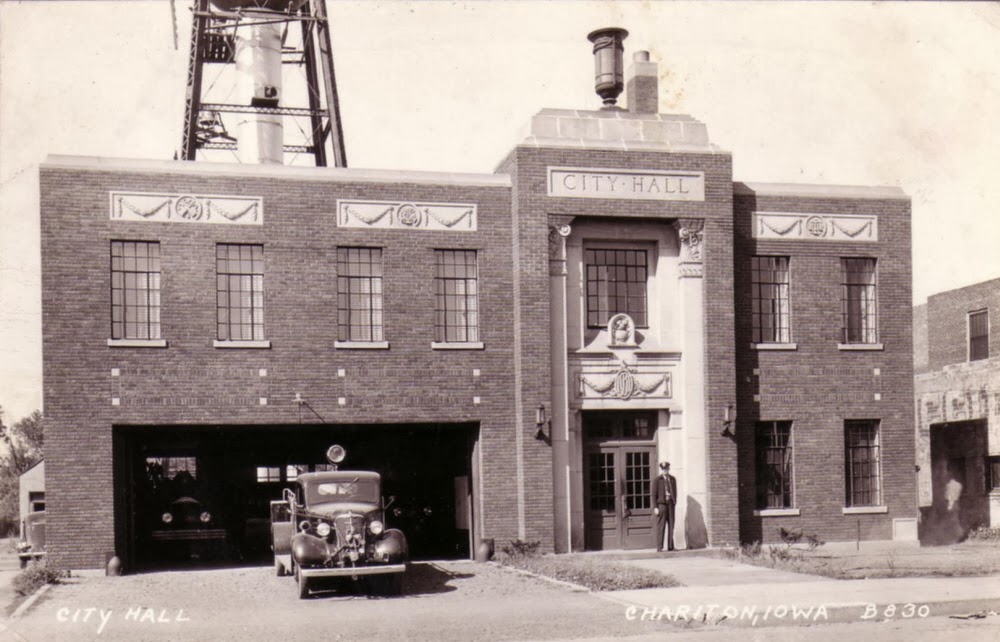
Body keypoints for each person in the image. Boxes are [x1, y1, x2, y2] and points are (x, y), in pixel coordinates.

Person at [651, 461, 677, 552]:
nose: (664, 471)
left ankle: (670, 546)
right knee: (661, 526)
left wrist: (674, 502)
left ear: (668, 469)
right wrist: (655, 507)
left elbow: (675, 491)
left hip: (670, 504)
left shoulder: (673, 479)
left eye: (666, 469)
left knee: (671, 524)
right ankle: (659, 547)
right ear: (661, 470)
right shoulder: (657, 480)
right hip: (661, 505)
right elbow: (653, 495)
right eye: (663, 469)